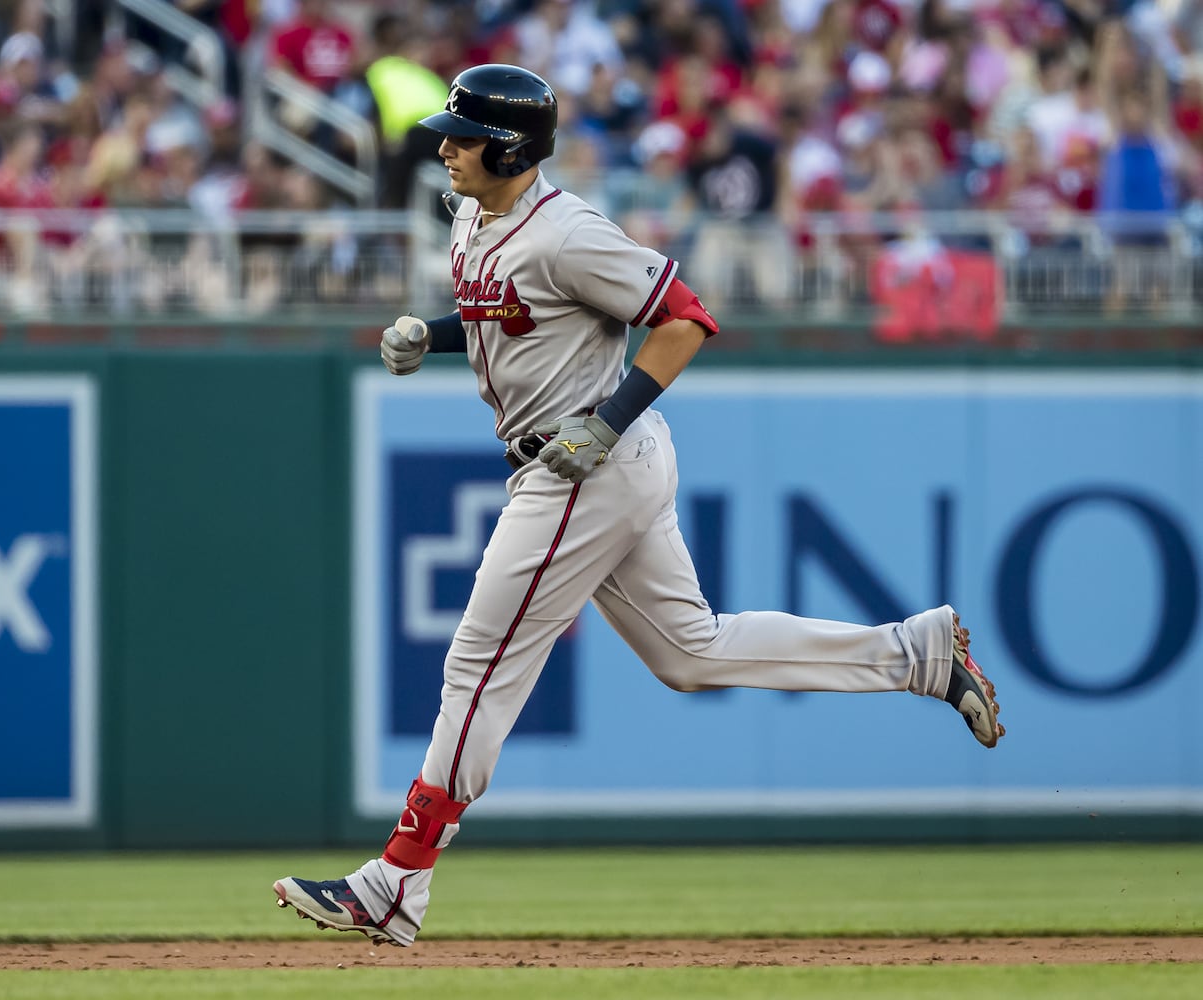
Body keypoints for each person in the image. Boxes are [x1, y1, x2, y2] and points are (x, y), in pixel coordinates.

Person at [272, 63, 1005, 949]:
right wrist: (433, 330)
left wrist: (609, 422)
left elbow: (686, 318)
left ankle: (397, 880)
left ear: (509, 145)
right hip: (594, 463)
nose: (446, 147)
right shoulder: (474, 214)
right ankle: (915, 653)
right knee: (690, 653)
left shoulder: (568, 232)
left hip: (584, 466)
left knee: (477, 664)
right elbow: (507, 309)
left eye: (462, 136)